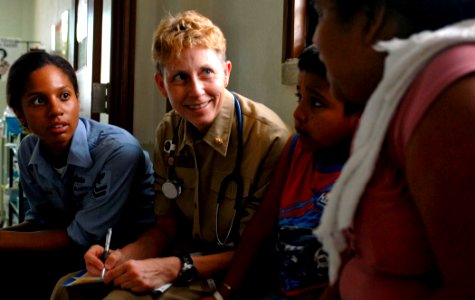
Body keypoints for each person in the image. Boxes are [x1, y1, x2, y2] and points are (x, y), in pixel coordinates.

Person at [52, 10, 291, 300]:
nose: (196, 90)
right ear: (161, 84)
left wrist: (174, 268)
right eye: (179, 77)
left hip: (237, 275)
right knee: (67, 289)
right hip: (182, 261)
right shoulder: (169, 132)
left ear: (226, 72)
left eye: (206, 72)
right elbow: (166, 226)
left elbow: (262, 252)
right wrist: (122, 257)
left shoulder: (267, 139)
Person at [311, 0, 475, 299]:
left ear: (371, 19)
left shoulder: (451, 102)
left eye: (322, 15)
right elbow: (355, 259)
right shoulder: (386, 101)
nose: (315, 40)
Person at [207, 45, 361, 300]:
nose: (298, 114)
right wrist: (223, 295)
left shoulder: (369, 173)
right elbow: (260, 228)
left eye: (317, 103)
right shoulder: (296, 150)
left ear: (360, 111)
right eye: (300, 98)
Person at [3, 50, 156, 299]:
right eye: (38, 101)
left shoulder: (118, 151)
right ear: (20, 114)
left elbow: (81, 238)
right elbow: (42, 222)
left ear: (77, 98)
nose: (55, 110)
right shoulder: (28, 151)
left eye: (64, 96)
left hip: (118, 254)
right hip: (71, 250)